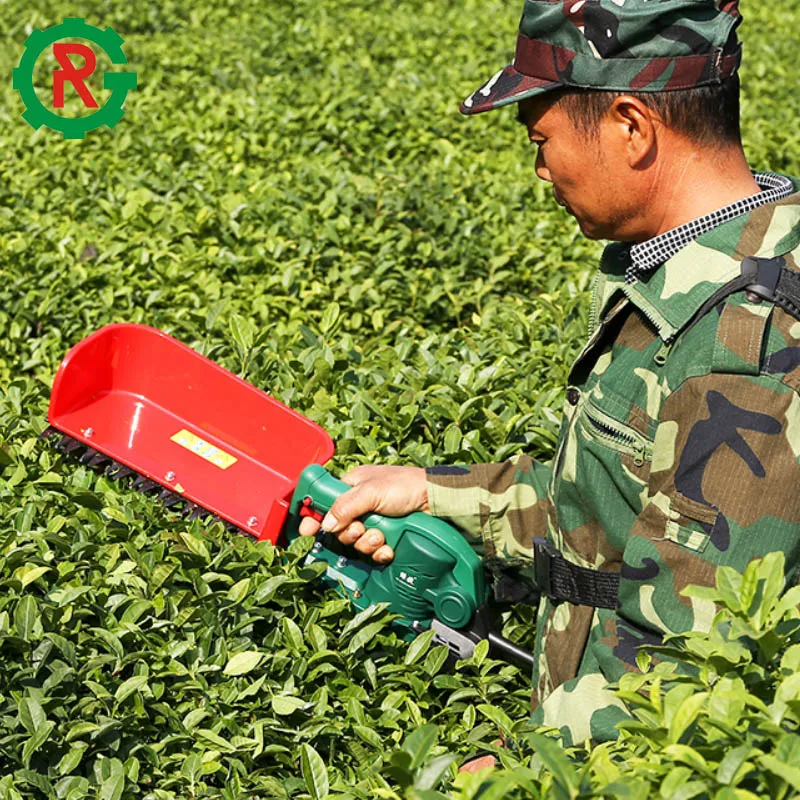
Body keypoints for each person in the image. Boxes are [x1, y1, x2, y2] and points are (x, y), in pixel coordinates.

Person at [300, 0, 800, 746]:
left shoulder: (749, 348)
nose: (539, 170)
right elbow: (623, 511)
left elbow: (700, 675)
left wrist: (529, 771)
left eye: (542, 139)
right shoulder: (710, 263)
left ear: (632, 126)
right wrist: (432, 492)